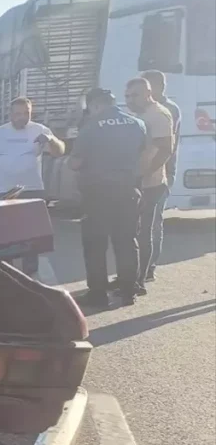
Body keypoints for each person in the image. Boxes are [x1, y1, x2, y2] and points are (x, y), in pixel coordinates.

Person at [70, 88, 147, 308]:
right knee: (126, 241)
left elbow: (75, 162)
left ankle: (98, 294)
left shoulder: (91, 127)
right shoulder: (137, 124)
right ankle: (128, 292)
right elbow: (143, 153)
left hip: (97, 194)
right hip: (128, 191)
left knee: (95, 244)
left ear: (94, 105)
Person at [0, 97, 65, 274]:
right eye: (18, 114)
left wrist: (50, 139)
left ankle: (30, 272)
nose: (22, 117)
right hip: (4, 192)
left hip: (32, 190)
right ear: (10, 114)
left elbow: (60, 151)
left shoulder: (39, 130)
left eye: (26, 113)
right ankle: (7, 271)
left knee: (31, 234)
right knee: (5, 234)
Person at [124, 77, 174, 295]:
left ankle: (140, 280)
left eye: (134, 95)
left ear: (147, 93)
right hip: (139, 182)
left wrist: (145, 173)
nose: (129, 100)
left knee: (143, 232)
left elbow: (166, 149)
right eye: (127, 96)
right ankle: (131, 275)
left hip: (151, 184)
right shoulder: (142, 115)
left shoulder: (159, 115)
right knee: (133, 231)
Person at [139, 70, 181, 283]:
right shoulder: (147, 109)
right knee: (145, 223)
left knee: (153, 222)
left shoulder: (167, 110)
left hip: (162, 170)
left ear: (157, 87)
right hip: (153, 170)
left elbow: (166, 146)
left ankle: (149, 268)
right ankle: (142, 267)